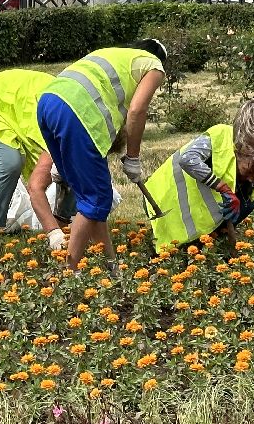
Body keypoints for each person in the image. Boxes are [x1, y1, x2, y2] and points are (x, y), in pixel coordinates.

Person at [37, 40, 168, 268]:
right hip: (79, 114)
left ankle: (110, 265)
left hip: (48, 102)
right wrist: (133, 157)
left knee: (91, 200)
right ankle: (70, 271)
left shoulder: (112, 53)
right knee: (97, 198)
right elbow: (137, 110)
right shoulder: (154, 65)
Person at [146, 97, 254, 249]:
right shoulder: (220, 136)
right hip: (165, 200)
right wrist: (223, 188)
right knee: (170, 252)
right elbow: (188, 159)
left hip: (203, 225)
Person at [0, 68, 71, 251]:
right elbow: (35, 188)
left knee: (73, 177)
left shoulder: (85, 141)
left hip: (26, 103)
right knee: (11, 164)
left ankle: (62, 239)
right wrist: (53, 233)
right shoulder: (58, 139)